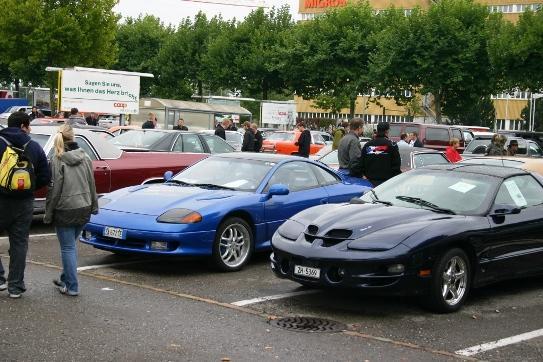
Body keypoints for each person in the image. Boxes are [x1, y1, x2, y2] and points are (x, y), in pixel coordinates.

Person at [0, 112, 50, 298]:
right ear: (22, 126)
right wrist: (29, 188)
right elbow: (46, 176)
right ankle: (15, 287)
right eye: (28, 126)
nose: (29, 130)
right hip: (24, 203)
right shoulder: (34, 147)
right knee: (19, 244)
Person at [44, 124, 98, 297]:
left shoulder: (58, 159)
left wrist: (48, 213)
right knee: (71, 247)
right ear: (73, 137)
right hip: (84, 206)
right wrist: (94, 206)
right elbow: (92, 184)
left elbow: (54, 190)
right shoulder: (85, 156)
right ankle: (66, 278)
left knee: (67, 248)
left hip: (65, 209)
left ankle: (72, 286)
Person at [354, 122, 401, 187]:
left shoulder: (368, 145)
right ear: (387, 131)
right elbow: (396, 166)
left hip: (369, 183)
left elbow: (360, 163)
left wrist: (362, 175)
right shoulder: (391, 145)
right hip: (386, 183)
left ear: (378, 130)